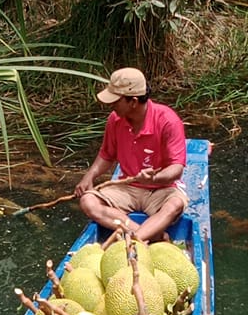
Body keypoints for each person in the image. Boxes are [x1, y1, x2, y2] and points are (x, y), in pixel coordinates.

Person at [74, 67, 188, 242]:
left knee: (175, 205)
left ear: (133, 102)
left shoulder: (168, 121)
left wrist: (153, 179)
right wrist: (90, 176)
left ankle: (136, 239)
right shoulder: (115, 119)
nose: (111, 105)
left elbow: (176, 169)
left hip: (161, 188)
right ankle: (152, 236)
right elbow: (107, 154)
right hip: (129, 187)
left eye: (115, 101)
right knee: (88, 202)